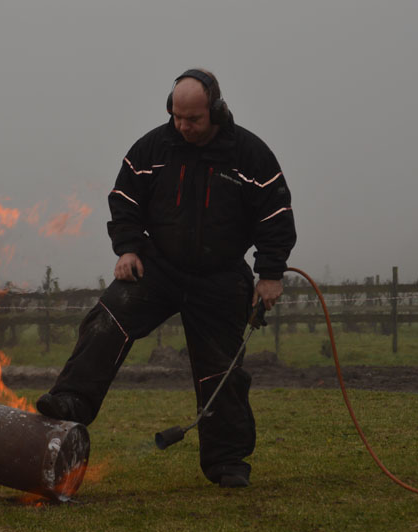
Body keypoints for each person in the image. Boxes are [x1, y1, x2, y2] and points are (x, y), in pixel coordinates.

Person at [36, 68, 296, 488]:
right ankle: (72, 401)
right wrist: (128, 248)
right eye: (177, 117)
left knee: (221, 371)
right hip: (158, 267)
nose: (183, 126)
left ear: (214, 110)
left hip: (221, 276)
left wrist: (269, 273)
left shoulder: (250, 155)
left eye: (192, 119)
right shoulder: (151, 148)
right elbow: (124, 200)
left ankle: (227, 462)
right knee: (108, 320)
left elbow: (276, 216)